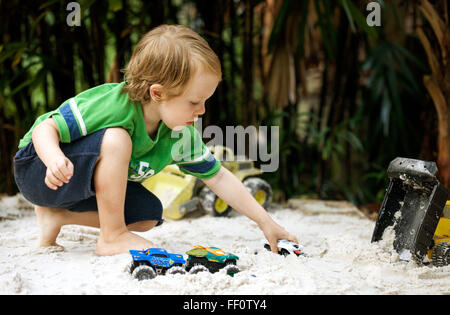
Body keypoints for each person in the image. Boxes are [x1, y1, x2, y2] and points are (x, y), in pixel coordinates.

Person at [13, 24, 298, 256]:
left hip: (72, 190)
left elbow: (219, 177)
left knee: (148, 215)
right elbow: (46, 128)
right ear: (157, 93)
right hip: (39, 169)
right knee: (116, 139)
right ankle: (112, 238)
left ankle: (57, 217)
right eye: (195, 102)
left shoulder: (179, 133)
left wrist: (267, 223)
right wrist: (53, 158)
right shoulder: (113, 104)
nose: (201, 111)